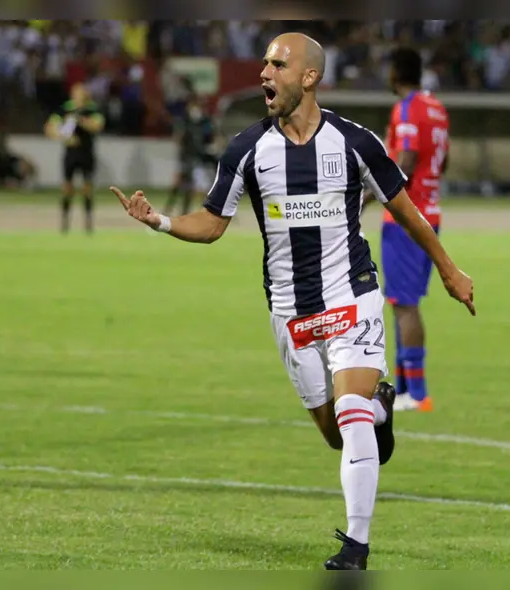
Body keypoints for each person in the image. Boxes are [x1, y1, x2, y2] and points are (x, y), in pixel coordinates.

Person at [109, 32, 475, 570]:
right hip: (292, 311)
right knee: (334, 433)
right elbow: (212, 225)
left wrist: (448, 268)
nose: (264, 73)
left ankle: (356, 546)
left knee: (348, 416)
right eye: (264, 63)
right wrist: (158, 221)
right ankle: (381, 408)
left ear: (308, 77)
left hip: (352, 295)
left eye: (277, 64)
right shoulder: (247, 150)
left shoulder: (355, 142)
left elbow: (404, 206)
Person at [366, 47, 451, 413]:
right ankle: (404, 389)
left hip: (405, 217)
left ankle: (415, 393)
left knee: (403, 304)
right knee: (405, 301)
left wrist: (368, 197)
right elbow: (444, 160)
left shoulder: (406, 109)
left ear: (396, 73)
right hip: (430, 211)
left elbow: (407, 160)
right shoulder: (437, 108)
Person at [45, 83, 104, 234]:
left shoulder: (91, 109)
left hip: (86, 153)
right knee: (67, 188)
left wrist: (81, 121)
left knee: (87, 189)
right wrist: (63, 136)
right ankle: (65, 224)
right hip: (71, 154)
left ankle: (88, 224)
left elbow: (97, 125)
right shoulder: (65, 108)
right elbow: (49, 128)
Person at [163, 96, 217, 216]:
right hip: (186, 159)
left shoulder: (204, 122)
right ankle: (169, 210)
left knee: (194, 188)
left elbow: (210, 138)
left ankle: (186, 212)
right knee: (179, 186)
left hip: (198, 159)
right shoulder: (185, 122)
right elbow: (180, 140)